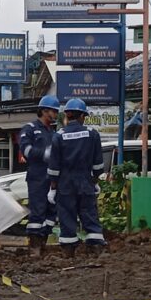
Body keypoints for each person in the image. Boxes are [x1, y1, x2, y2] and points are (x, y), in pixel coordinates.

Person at [47, 98, 106, 257]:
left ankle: (68, 252)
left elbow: (54, 168)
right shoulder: (92, 134)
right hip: (85, 182)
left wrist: (53, 188)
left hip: (65, 185)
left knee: (67, 216)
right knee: (89, 214)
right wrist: (94, 182)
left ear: (67, 115)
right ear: (81, 116)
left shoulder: (59, 136)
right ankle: (96, 248)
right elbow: (97, 165)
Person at [19, 95, 61, 257]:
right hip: (37, 177)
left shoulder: (53, 132)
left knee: (52, 212)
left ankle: (43, 239)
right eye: (53, 111)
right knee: (37, 211)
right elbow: (25, 150)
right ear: (44, 111)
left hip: (52, 178)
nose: (55, 115)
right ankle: (34, 245)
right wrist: (43, 154)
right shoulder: (30, 129)